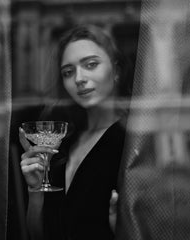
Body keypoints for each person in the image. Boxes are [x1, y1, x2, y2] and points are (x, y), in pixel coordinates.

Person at [18, 24, 131, 240]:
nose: (79, 78)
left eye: (91, 64)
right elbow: (40, 235)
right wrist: (35, 192)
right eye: (68, 72)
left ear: (116, 71)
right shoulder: (64, 142)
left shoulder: (131, 140)